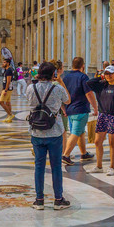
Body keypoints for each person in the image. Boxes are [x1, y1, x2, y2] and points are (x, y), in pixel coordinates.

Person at [26, 61, 70, 210]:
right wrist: (60, 81)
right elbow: (68, 100)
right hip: (54, 131)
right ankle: (58, 199)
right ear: (53, 74)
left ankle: (39, 200)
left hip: (36, 131)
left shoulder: (30, 88)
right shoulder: (57, 89)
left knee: (39, 166)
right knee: (56, 166)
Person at [90, 65, 114, 175]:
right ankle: (99, 166)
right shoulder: (102, 86)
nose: (108, 76)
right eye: (106, 74)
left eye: (110, 74)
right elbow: (89, 83)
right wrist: (100, 77)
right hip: (103, 116)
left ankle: (111, 167)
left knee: (112, 142)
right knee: (97, 142)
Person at [61, 57, 97, 166]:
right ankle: (66, 155)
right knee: (76, 132)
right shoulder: (83, 77)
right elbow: (89, 94)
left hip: (70, 109)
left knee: (80, 132)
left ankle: (83, 153)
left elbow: (63, 95)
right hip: (80, 109)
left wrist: (64, 109)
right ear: (83, 66)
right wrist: (95, 107)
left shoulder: (66, 78)